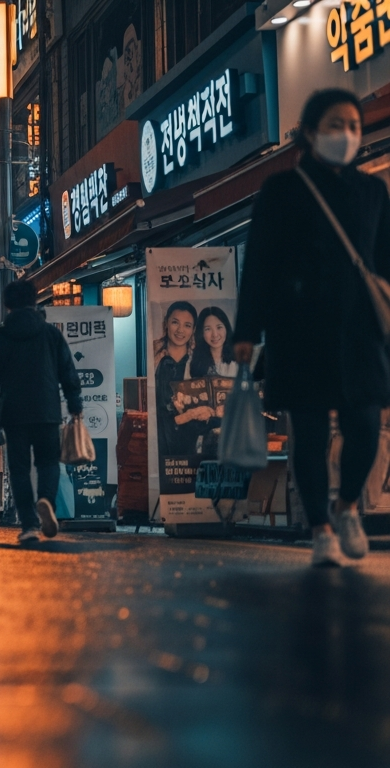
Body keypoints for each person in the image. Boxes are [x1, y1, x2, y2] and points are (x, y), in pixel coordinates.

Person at [234, 88, 390, 567]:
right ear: (308, 130)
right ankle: (320, 527)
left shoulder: (373, 191)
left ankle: (347, 509)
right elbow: (259, 264)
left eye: (353, 125)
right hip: (298, 331)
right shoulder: (281, 190)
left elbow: (384, 262)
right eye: (334, 125)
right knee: (310, 430)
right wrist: (247, 330)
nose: (345, 134)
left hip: (359, 331)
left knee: (365, 424)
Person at [0, 279, 83, 544]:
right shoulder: (50, 334)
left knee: (19, 469)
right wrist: (74, 405)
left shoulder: (1, 337)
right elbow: (68, 372)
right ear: (35, 301)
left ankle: (29, 524)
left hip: (14, 414)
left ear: (7, 304)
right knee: (48, 462)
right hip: (47, 410)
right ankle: (46, 499)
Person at [153, 302, 206, 456]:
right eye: (175, 322)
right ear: (166, 323)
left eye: (187, 325)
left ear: (194, 330)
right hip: (157, 436)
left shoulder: (198, 362)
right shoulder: (153, 356)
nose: (180, 330)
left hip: (187, 439)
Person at [189, 307, 238, 379]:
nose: (215, 334)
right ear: (201, 332)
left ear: (226, 328)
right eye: (208, 329)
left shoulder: (239, 359)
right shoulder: (192, 362)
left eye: (219, 327)